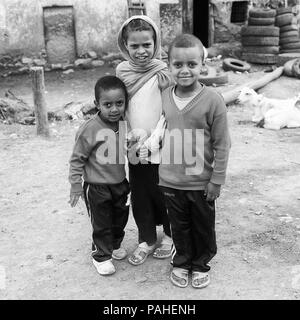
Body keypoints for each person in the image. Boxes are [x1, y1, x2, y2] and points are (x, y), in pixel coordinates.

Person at [159, 34, 231, 288]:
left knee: (202, 227)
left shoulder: (213, 100)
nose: (185, 70)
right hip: (171, 179)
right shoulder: (165, 96)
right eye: (178, 65)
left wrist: (217, 180)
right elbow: (160, 131)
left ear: (203, 65)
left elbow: (222, 144)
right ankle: (182, 261)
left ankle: (200, 264)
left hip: (201, 181)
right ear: (168, 67)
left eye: (192, 64)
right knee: (179, 226)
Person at [116, 15, 174, 265]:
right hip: (136, 146)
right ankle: (147, 238)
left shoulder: (164, 70)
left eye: (147, 45)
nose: (141, 51)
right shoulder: (122, 72)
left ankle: (171, 236)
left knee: (167, 192)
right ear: (124, 45)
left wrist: (167, 88)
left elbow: (173, 107)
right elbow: (119, 106)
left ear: (156, 43)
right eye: (134, 46)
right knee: (140, 194)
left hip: (164, 144)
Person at [68, 75, 130, 276]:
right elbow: (77, 159)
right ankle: (101, 256)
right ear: (97, 104)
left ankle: (114, 245)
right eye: (108, 104)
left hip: (120, 183)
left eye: (119, 103)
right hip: (96, 187)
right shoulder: (90, 128)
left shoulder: (124, 124)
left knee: (120, 218)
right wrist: (76, 184)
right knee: (101, 223)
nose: (114, 109)